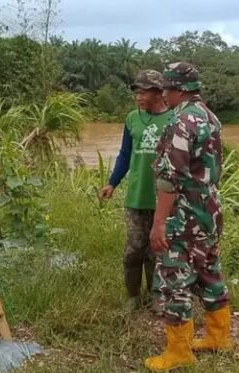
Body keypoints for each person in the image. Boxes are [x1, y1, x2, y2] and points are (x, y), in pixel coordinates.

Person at [145, 61, 232, 372]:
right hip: (210, 210)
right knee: (209, 271)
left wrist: (158, 223)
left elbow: (170, 179)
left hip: (185, 215)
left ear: (179, 90)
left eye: (166, 89)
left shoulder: (181, 122)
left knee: (174, 280)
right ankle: (218, 337)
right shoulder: (209, 116)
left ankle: (179, 352)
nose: (163, 95)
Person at [100, 70, 173, 312]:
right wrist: (112, 183)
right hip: (137, 196)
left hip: (164, 199)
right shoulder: (132, 118)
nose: (138, 97)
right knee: (134, 250)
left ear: (159, 93)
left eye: (144, 92)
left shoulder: (174, 118)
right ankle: (132, 296)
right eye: (137, 92)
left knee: (158, 252)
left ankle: (156, 296)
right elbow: (124, 154)